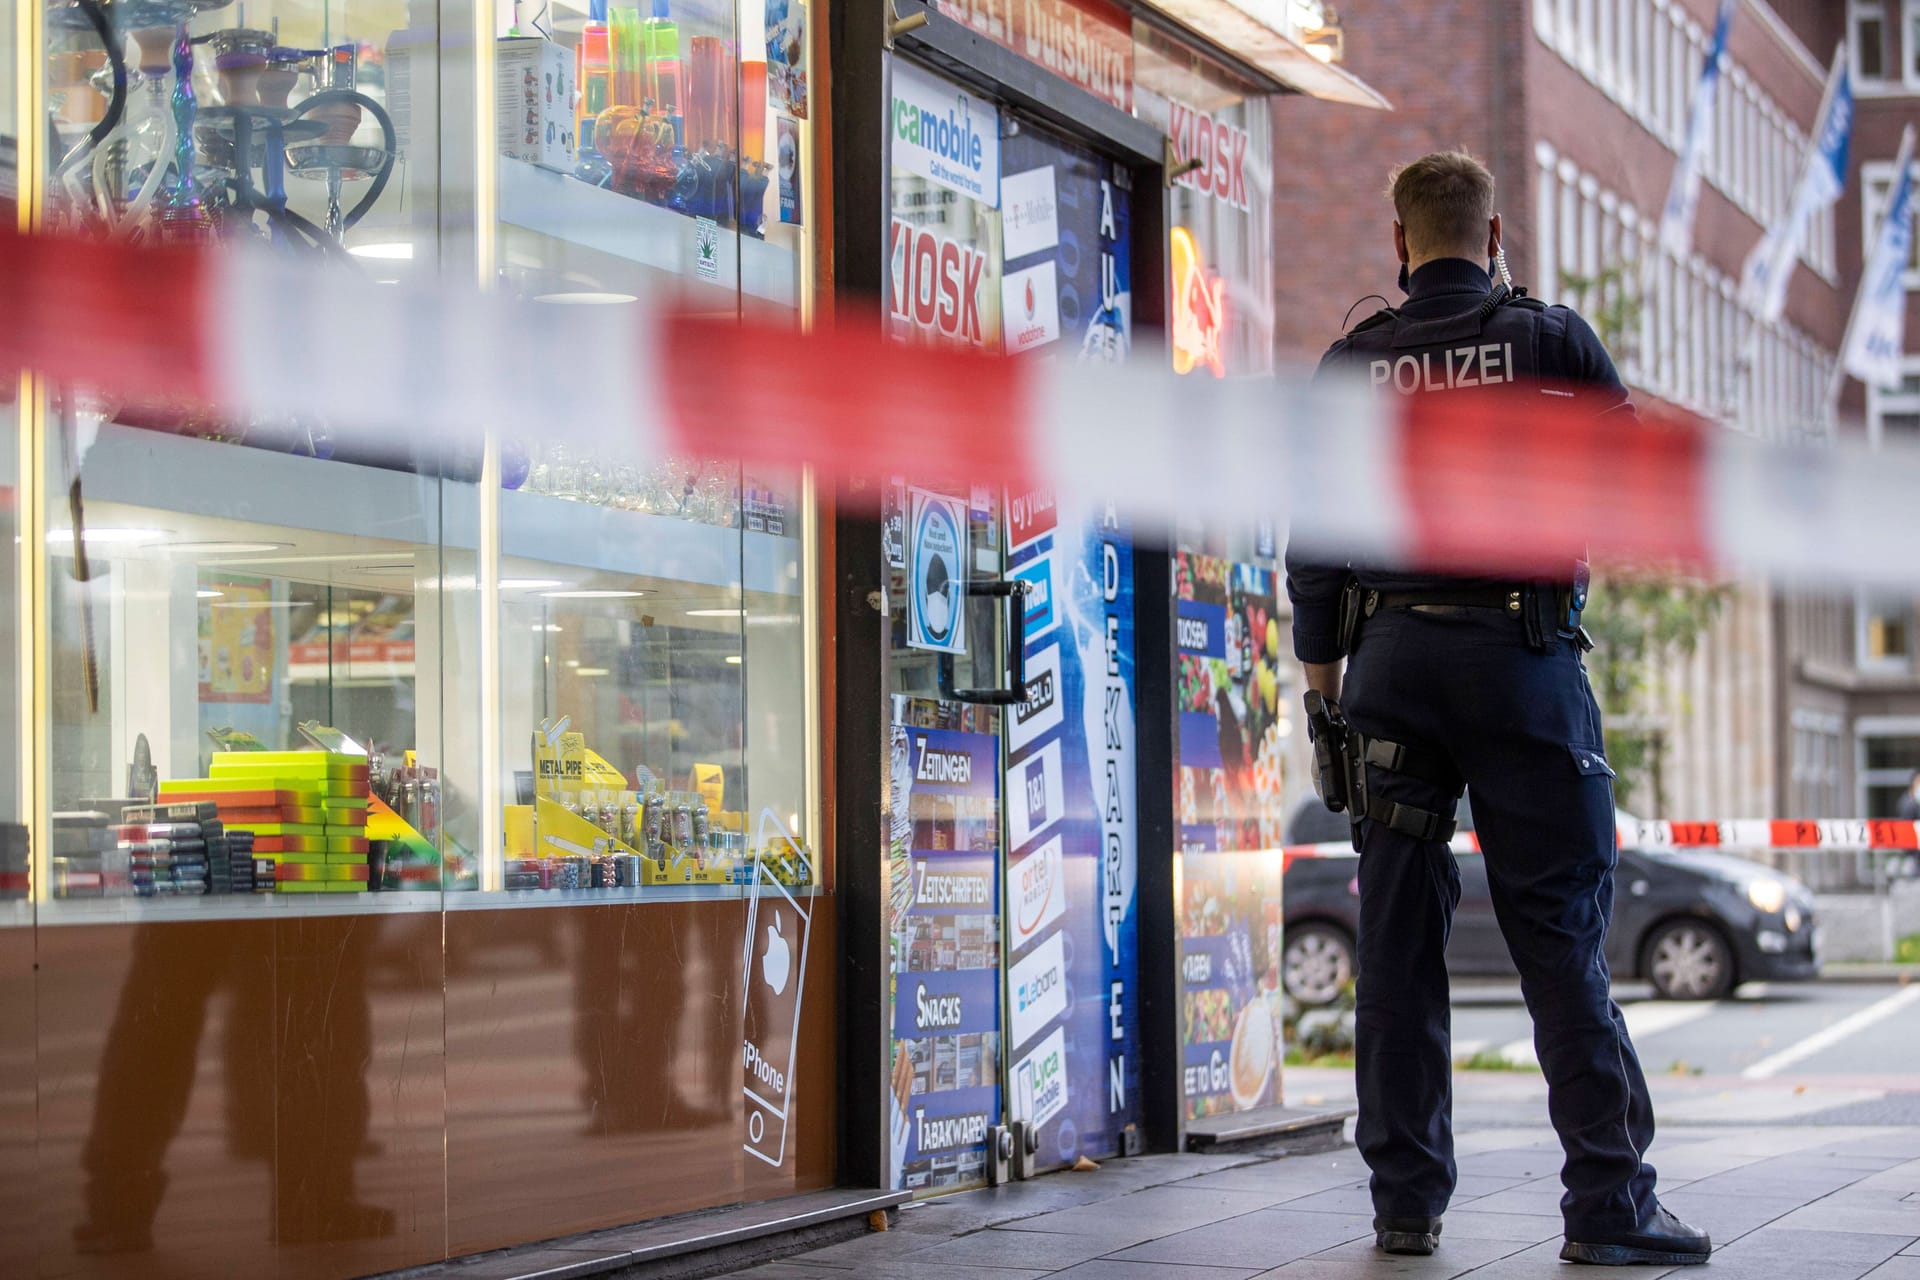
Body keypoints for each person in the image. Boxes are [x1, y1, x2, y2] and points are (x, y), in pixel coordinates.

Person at [1285, 151, 1710, 1268]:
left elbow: (1315, 542)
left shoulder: (1353, 361)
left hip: (1388, 665)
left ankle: (1404, 1205)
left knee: (1396, 940)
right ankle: (1609, 1206)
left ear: (1397, 243)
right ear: (1498, 233)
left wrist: (1325, 693)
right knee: (1560, 934)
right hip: (1520, 660)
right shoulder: (1551, 342)